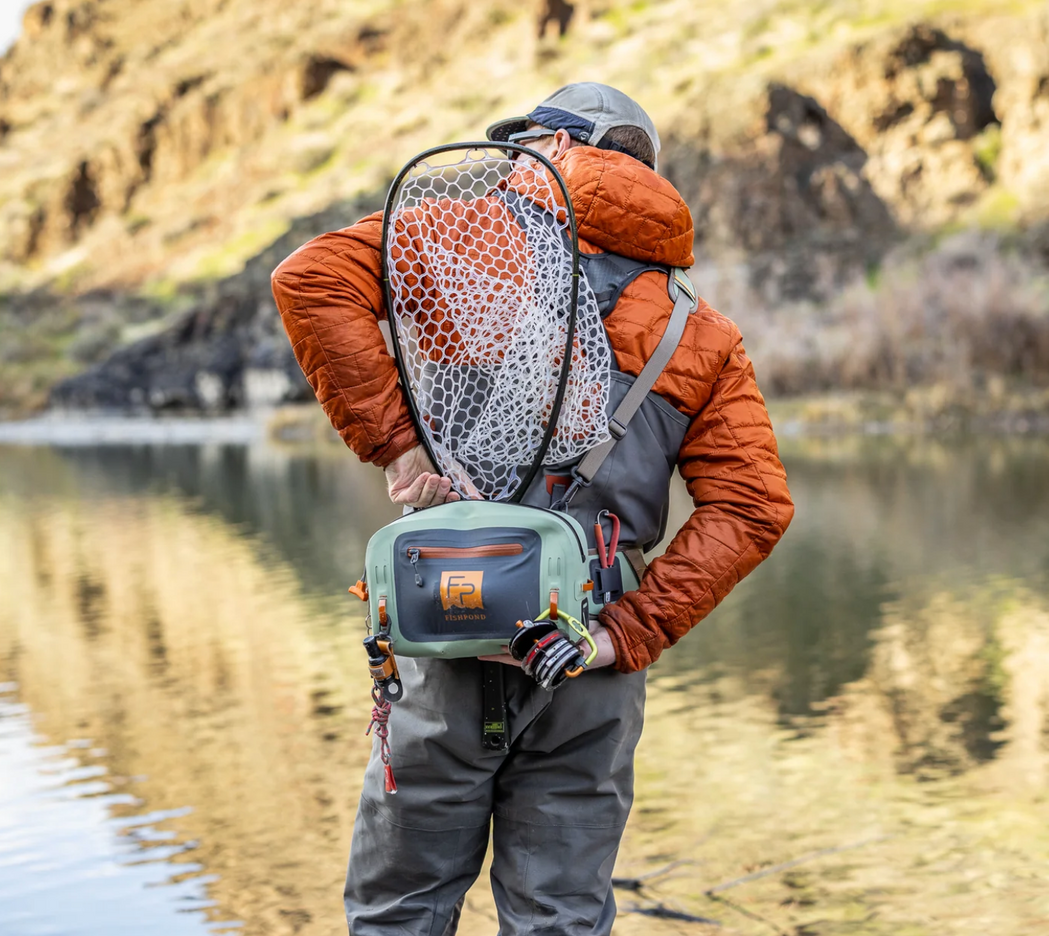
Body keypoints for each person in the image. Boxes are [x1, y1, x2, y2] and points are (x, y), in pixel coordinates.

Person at [271, 82, 794, 935]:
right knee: (561, 914)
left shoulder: (465, 237)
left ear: (554, 146)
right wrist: (630, 633)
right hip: (585, 645)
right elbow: (752, 507)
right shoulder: (701, 332)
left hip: (447, 613)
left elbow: (311, 278)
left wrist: (397, 444)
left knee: (398, 909)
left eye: (523, 143)